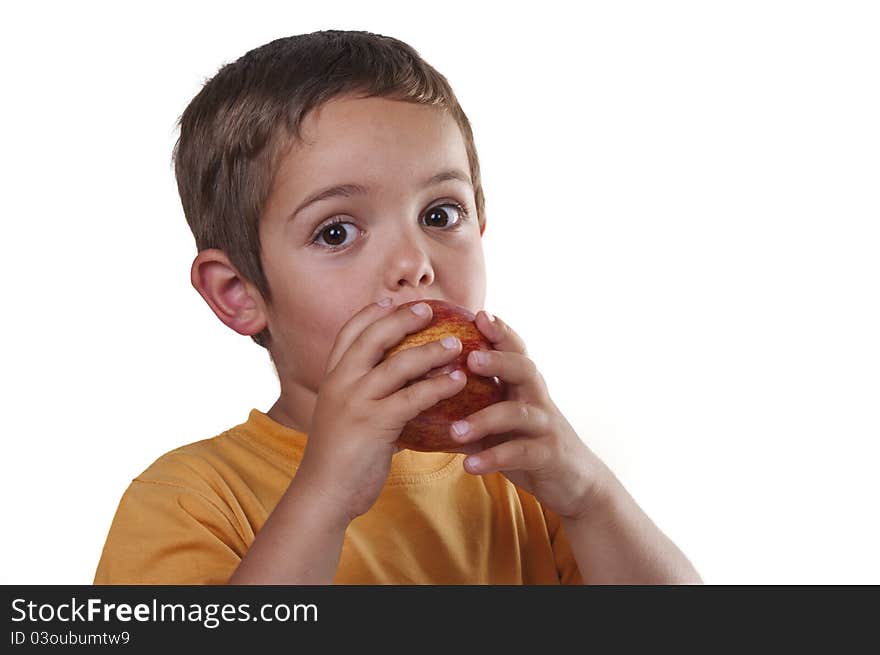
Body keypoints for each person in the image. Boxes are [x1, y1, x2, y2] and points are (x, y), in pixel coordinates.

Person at [93, 29, 702, 585]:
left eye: (440, 215)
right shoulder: (191, 500)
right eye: (336, 232)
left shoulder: (524, 486)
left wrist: (589, 495)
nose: (415, 261)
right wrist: (325, 497)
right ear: (239, 294)